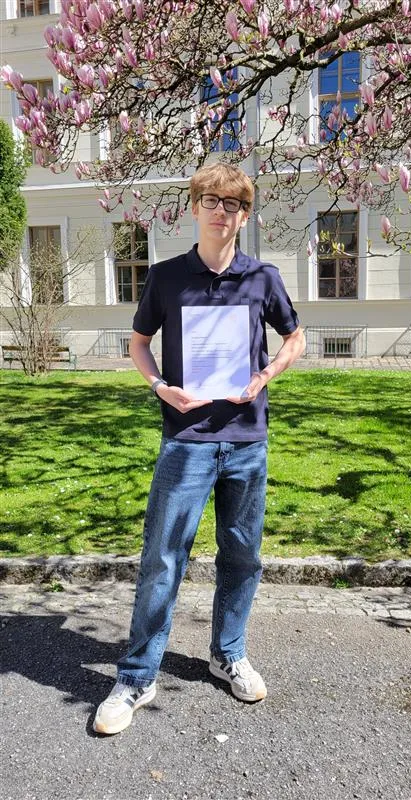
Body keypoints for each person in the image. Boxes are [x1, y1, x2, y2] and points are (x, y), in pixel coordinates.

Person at [94, 162, 305, 735]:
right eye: (210, 200)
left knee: (242, 556)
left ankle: (227, 653)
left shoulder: (262, 277)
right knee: (163, 558)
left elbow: (295, 336)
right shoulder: (166, 277)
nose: (220, 211)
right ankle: (137, 676)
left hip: (246, 441)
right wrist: (160, 386)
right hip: (186, 441)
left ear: (245, 215)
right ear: (194, 207)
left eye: (232, 204)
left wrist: (267, 375)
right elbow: (139, 342)